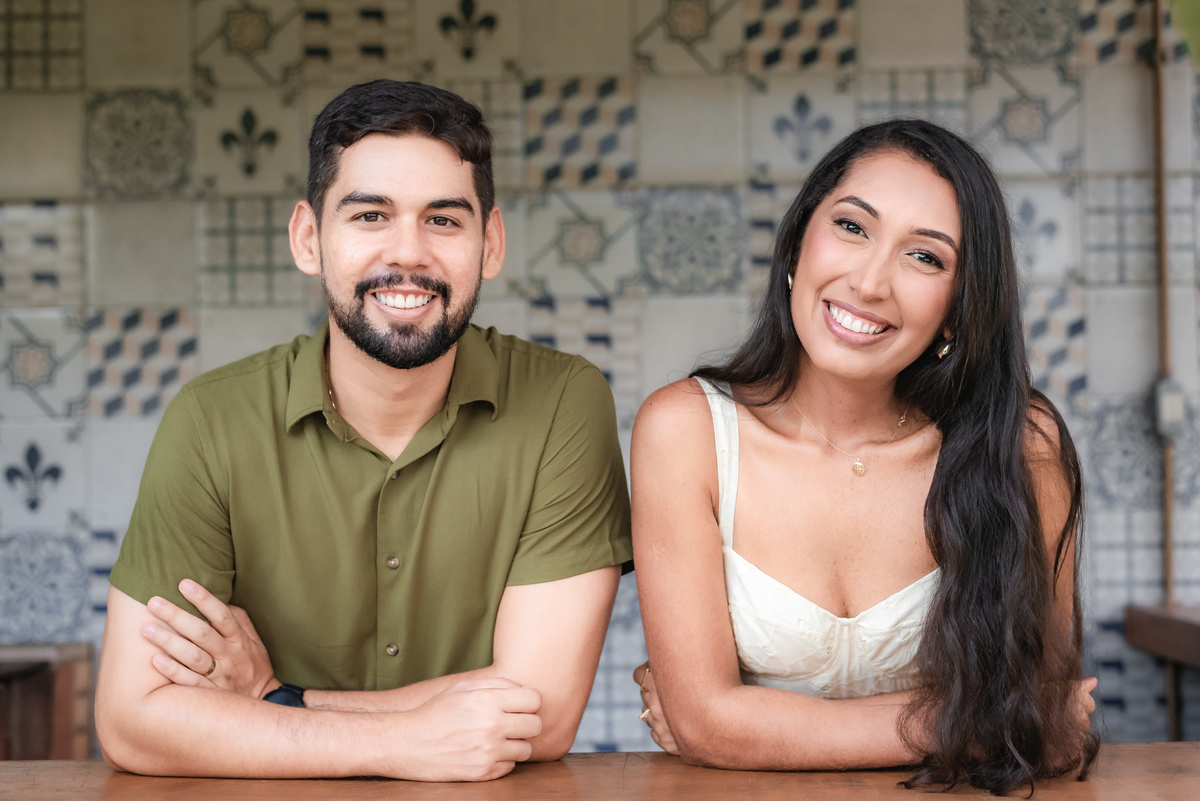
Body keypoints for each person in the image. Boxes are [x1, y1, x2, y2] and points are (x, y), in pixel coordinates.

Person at [94, 80, 632, 782]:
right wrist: (402, 741)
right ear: (308, 238)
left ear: (490, 243)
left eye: (443, 220)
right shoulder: (208, 421)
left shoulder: (565, 401)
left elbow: (539, 711)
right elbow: (134, 718)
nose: (407, 254)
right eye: (371, 215)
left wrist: (276, 700)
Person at [629, 119, 1098, 794]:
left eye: (926, 257)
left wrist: (750, 727)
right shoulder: (685, 430)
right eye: (853, 227)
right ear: (798, 241)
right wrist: (981, 720)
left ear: (960, 304)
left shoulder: (1023, 444)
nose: (871, 281)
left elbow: (1049, 723)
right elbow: (706, 722)